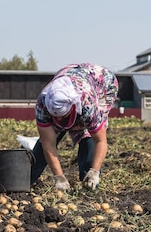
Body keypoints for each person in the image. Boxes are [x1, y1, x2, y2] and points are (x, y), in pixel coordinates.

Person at [30, 63, 119, 191]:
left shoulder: (87, 104)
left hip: (102, 84)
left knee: (86, 132)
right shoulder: (42, 104)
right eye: (57, 116)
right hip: (71, 74)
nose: (60, 119)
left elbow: (100, 140)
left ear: (73, 107)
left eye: (63, 115)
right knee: (50, 135)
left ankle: (89, 181)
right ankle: (27, 178)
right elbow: (48, 144)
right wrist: (58, 176)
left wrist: (94, 171)